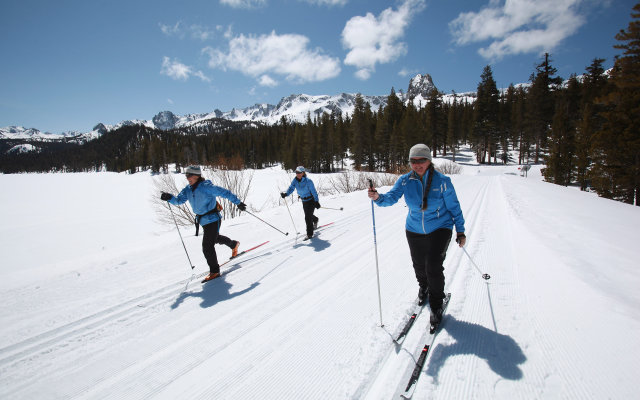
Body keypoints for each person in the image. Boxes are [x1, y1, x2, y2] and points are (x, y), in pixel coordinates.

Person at [367, 144, 466, 327]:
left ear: (429, 161)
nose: (417, 164)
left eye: (422, 160)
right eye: (413, 161)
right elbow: (391, 198)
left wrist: (460, 231)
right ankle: (424, 286)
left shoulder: (442, 181)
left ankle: (436, 303)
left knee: (433, 266)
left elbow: (454, 207)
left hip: (440, 227)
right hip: (413, 229)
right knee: (419, 265)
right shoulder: (405, 181)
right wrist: (378, 197)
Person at [161, 165, 247, 282]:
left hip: (213, 219)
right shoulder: (188, 189)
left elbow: (224, 192)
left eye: (189, 175)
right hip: (203, 221)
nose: (187, 178)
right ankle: (233, 244)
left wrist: (238, 203)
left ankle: (215, 271)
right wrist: (169, 197)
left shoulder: (206, 186)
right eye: (186, 175)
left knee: (207, 246)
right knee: (214, 238)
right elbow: (179, 200)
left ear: (197, 176)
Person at [281, 166, 320, 240]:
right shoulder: (295, 180)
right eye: (296, 172)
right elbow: (291, 188)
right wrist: (286, 194)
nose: (297, 174)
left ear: (303, 173)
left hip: (311, 200)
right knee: (308, 215)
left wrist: (316, 201)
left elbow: (314, 192)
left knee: (307, 217)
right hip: (304, 201)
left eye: (299, 172)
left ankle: (309, 234)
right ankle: (315, 220)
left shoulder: (308, 181)